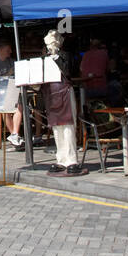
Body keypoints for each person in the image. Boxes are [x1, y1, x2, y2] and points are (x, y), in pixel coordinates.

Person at [42, 30, 84, 176]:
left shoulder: (65, 56)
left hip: (64, 91)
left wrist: (56, 58)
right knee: (56, 128)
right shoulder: (44, 58)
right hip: (51, 94)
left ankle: (72, 159)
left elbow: (69, 71)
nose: (50, 46)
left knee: (68, 126)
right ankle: (61, 158)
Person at [0, 40, 23, 148]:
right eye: (8, 50)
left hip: (12, 89)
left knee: (19, 106)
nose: (10, 52)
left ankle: (15, 134)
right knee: (4, 110)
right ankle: (14, 135)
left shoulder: (12, 62)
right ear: (1, 50)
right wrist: (7, 76)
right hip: (0, 91)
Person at [80, 37, 121, 106]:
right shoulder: (104, 53)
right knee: (116, 86)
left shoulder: (85, 55)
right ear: (100, 46)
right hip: (100, 89)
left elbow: (81, 69)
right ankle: (113, 110)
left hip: (86, 90)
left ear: (90, 46)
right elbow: (108, 69)